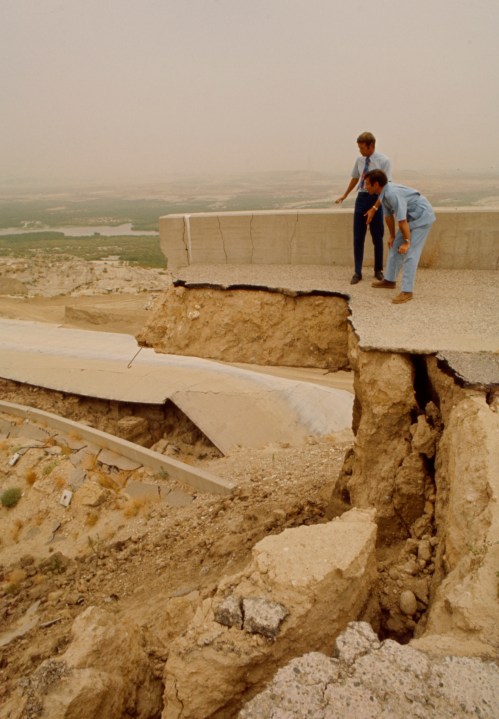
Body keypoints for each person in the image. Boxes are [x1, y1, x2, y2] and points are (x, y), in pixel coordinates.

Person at [364, 169, 435, 304]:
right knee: (395, 246)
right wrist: (391, 236)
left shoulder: (392, 194)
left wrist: (407, 242)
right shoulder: (382, 194)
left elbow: (401, 221)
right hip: (410, 218)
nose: (365, 187)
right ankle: (389, 280)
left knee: (411, 253)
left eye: (367, 184)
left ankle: (407, 291)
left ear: (376, 184)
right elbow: (388, 216)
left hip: (422, 217)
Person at [335, 132, 392, 285]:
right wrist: (345, 195)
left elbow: (386, 187)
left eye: (362, 148)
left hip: (377, 199)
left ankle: (378, 270)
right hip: (361, 198)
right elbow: (355, 178)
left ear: (371, 146)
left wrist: (375, 207)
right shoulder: (359, 161)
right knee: (358, 237)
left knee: (377, 237)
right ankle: (357, 272)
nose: (360, 151)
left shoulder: (384, 161)